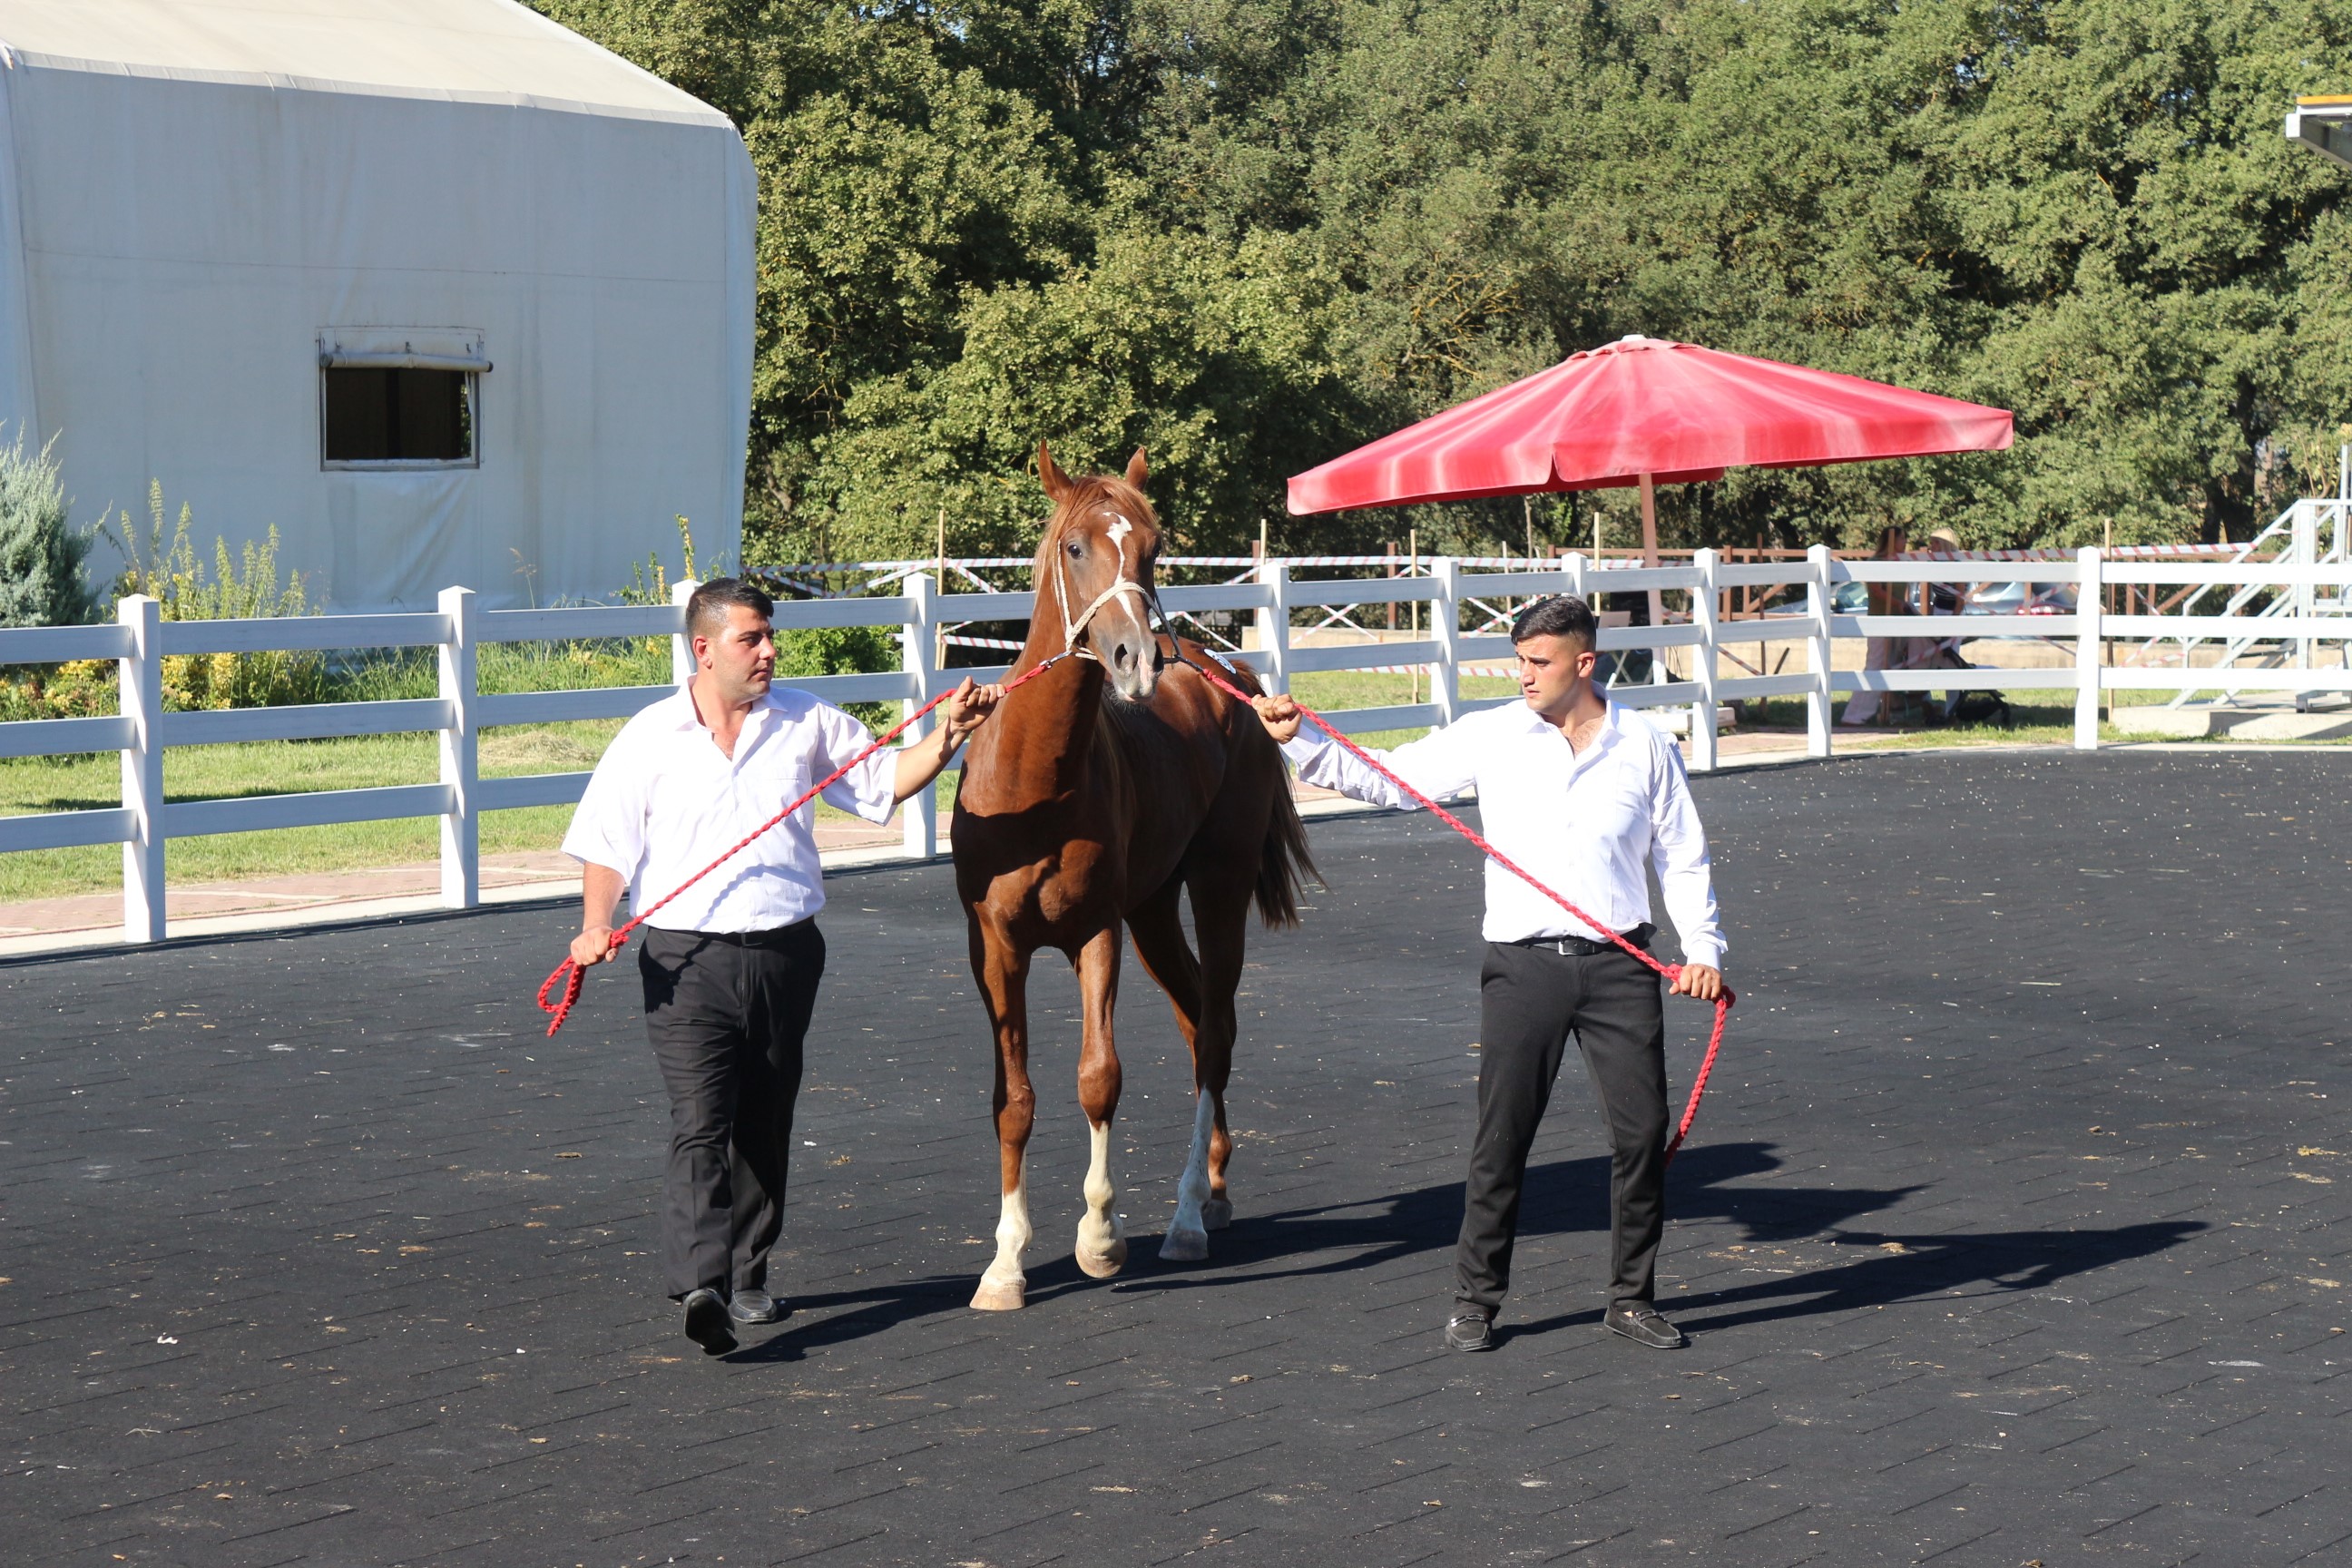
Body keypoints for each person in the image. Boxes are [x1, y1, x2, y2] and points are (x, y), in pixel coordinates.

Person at [1250, 594, 1724, 1353]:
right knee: (1502, 1139)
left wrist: (1702, 951)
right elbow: (1389, 779)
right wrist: (1300, 737)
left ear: (1584, 663)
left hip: (1622, 969)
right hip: (1523, 969)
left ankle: (1631, 1299)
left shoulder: (1644, 743)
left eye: (1539, 661)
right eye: (1519, 661)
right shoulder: (1492, 734)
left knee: (1642, 1137)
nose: (1524, 675)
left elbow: (1682, 854)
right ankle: (1476, 1300)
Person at [563, 578, 1002, 1356]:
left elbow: (884, 784)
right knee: (700, 1119)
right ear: (703, 648)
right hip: (684, 958)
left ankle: (747, 1274)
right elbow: (607, 844)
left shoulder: (808, 720)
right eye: (751, 639)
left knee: (765, 1117)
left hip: (786, 952)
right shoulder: (649, 737)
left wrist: (948, 736)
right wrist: (596, 922)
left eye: (770, 637)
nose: (769, 651)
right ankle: (701, 1287)